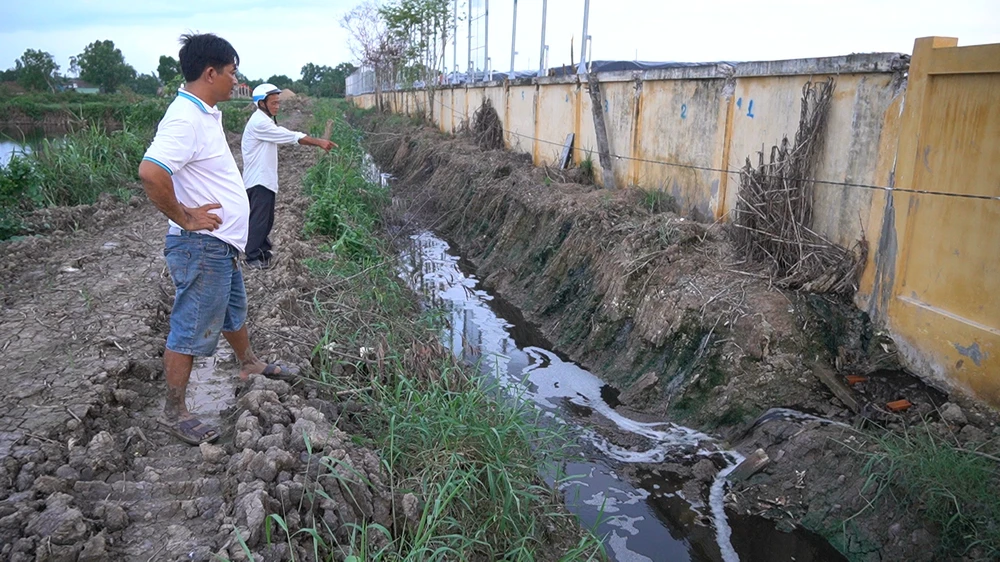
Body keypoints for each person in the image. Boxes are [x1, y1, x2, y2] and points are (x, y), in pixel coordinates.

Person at [138, 33, 292, 445]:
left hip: (219, 244)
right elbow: (152, 173)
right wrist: (186, 217)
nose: (235, 81)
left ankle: (249, 363)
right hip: (201, 246)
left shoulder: (203, 112)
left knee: (233, 308)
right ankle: (175, 411)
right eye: (231, 73)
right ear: (210, 73)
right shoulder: (185, 118)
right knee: (191, 326)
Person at [241, 83, 336, 269]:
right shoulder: (259, 123)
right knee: (259, 220)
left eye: (278, 102)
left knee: (266, 220)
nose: (277, 106)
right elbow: (290, 136)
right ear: (261, 103)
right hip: (258, 181)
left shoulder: (265, 120)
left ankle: (263, 251)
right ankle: (252, 257)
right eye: (273, 103)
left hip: (264, 179)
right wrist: (318, 142)